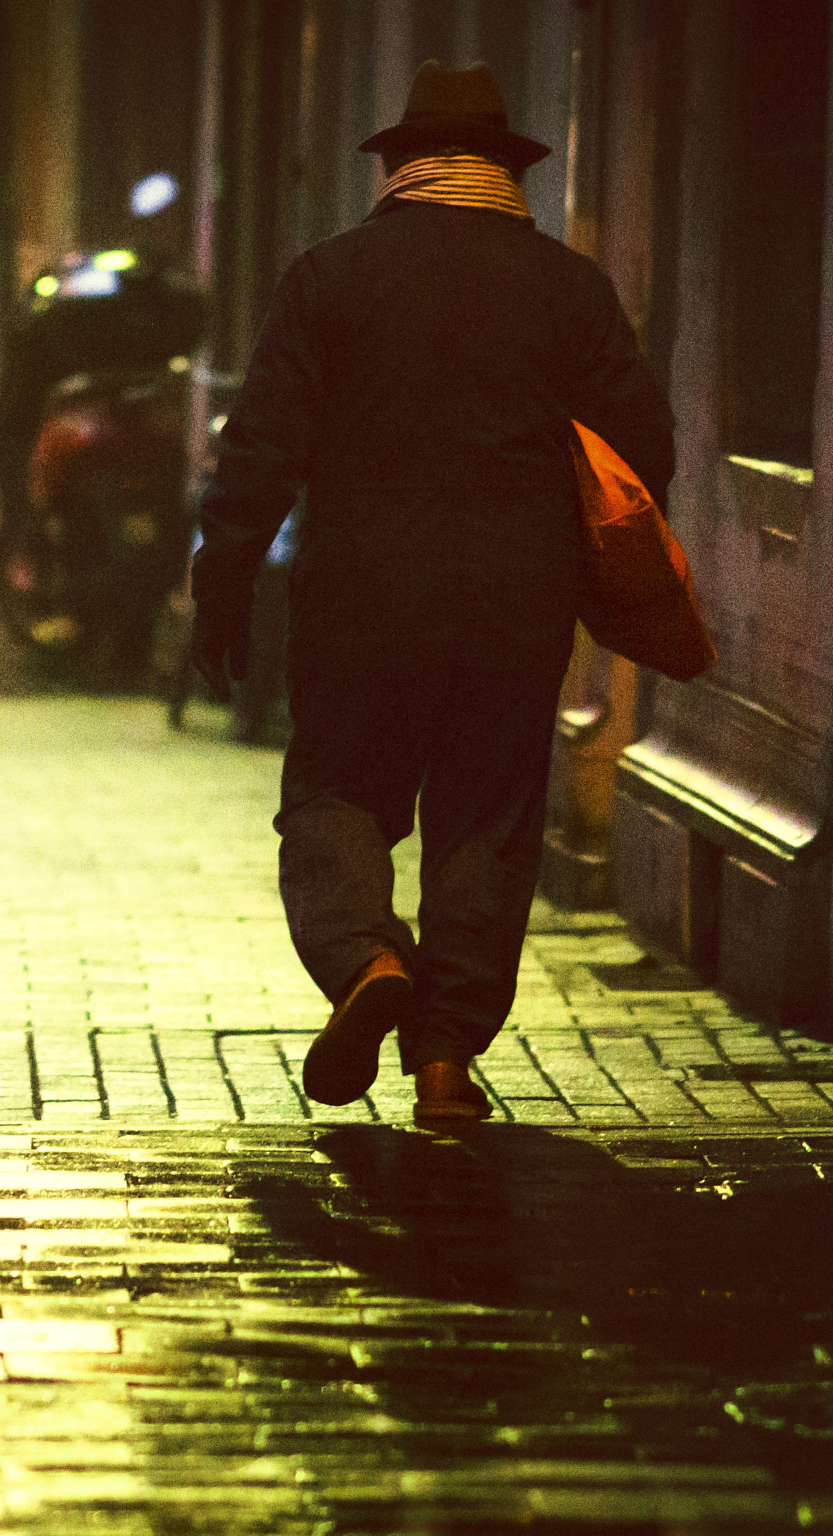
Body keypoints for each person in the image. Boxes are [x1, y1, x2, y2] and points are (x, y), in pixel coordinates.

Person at [190, 63, 674, 1130]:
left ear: (399, 166)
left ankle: (364, 960)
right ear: (505, 171)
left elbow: (259, 450)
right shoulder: (566, 289)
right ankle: (447, 1064)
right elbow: (644, 447)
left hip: (358, 600)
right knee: (486, 821)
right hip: (513, 605)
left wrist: (219, 586)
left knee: (335, 795)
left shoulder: (328, 279)